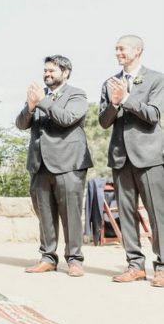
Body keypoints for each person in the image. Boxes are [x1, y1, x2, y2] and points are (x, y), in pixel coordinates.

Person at [16, 56, 92, 277]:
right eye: (45, 71)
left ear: (66, 72)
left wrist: (42, 102)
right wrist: (30, 107)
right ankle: (48, 257)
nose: (47, 74)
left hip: (69, 163)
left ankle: (75, 259)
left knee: (71, 214)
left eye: (52, 71)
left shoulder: (77, 94)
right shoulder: (39, 97)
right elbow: (21, 124)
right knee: (45, 214)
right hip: (40, 165)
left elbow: (67, 118)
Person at [98, 35, 164, 287]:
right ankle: (135, 265)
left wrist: (127, 99)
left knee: (158, 213)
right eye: (115, 49)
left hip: (149, 157)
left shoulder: (157, 79)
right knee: (126, 213)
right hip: (120, 156)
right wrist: (114, 104)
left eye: (121, 48)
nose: (117, 52)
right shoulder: (109, 83)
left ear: (137, 51)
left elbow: (153, 115)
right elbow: (104, 122)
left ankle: (162, 266)